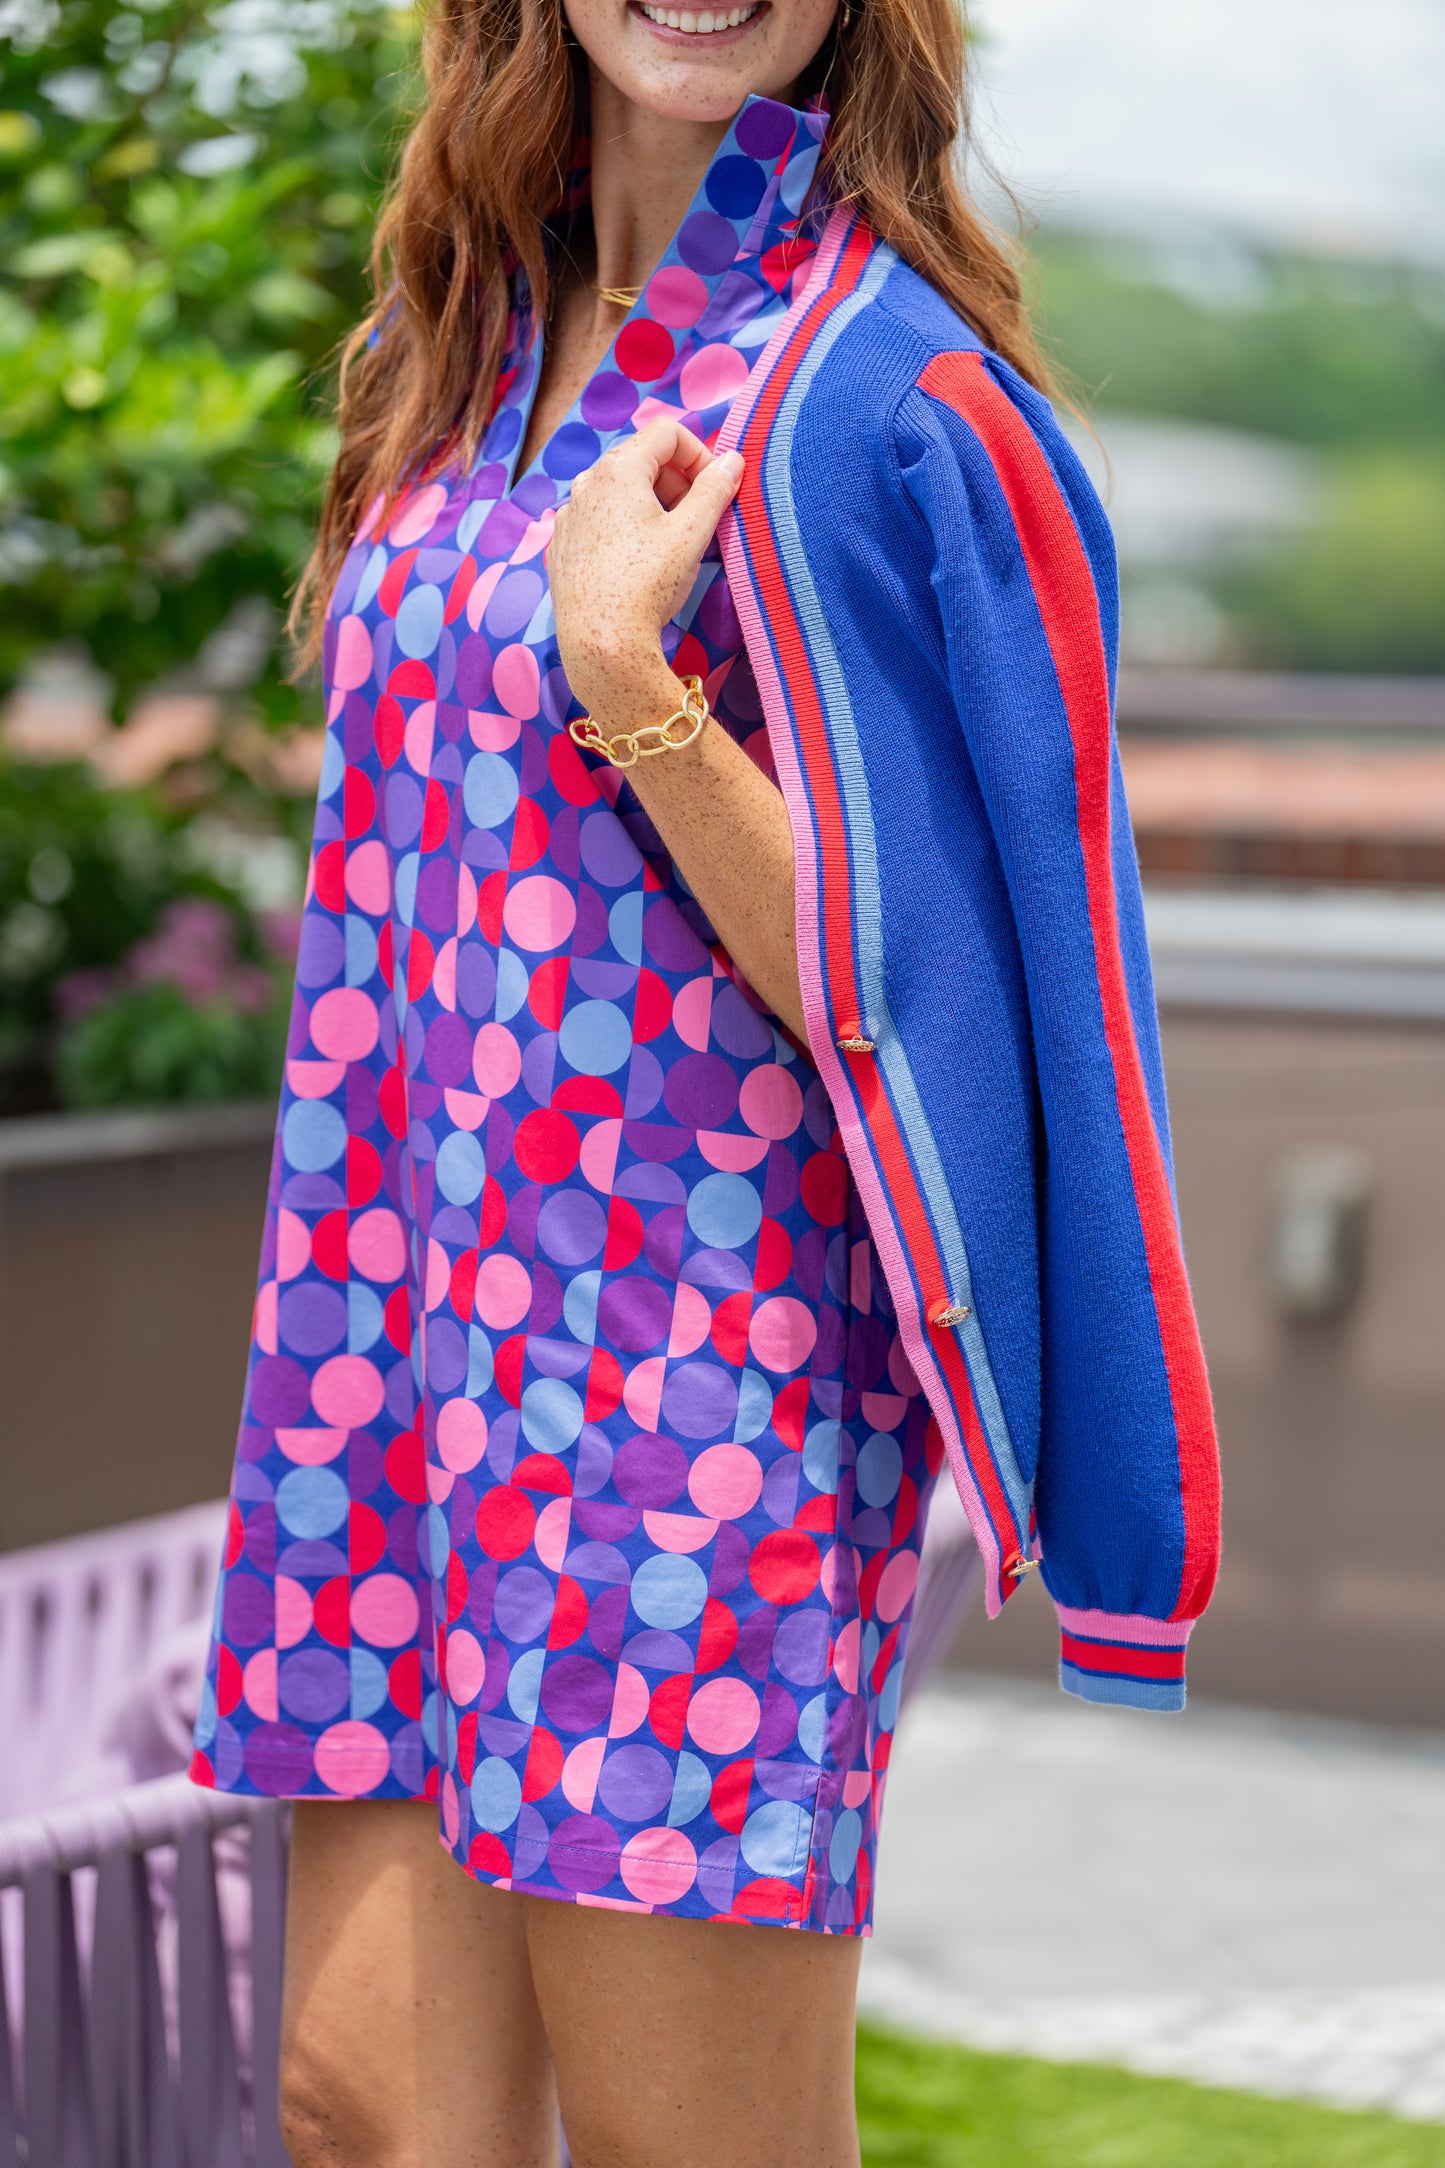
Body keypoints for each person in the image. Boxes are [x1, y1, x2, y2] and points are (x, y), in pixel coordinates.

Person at [188, 0, 1222, 2156]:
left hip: (683, 1413)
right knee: (360, 2112)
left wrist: (627, 678)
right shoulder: (451, 352)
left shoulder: (894, 401)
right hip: (389, 1377)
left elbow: (929, 996)